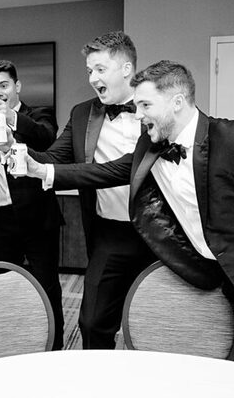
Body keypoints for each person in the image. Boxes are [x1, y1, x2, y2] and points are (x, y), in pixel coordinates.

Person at [21, 60, 234, 375]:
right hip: (217, 286)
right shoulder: (149, 149)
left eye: (146, 104)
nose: (138, 115)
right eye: (136, 105)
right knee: (233, 378)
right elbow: (101, 172)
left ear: (177, 102)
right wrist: (39, 169)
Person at [21, 32, 154, 350]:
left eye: (100, 69)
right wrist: (17, 150)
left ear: (125, 69)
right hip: (110, 235)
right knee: (92, 323)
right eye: (89, 71)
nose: (92, 78)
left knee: (157, 323)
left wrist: (44, 170)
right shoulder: (83, 114)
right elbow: (52, 158)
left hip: (158, 232)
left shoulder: (155, 107)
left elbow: (131, 168)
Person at [0, 60, 65, 349]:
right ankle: (11, 347)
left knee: (47, 288)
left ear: (17, 87)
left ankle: (54, 350)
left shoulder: (37, 115)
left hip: (39, 220)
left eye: (4, 86)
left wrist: (10, 117)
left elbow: (46, 137)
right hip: (1, 221)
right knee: (5, 287)